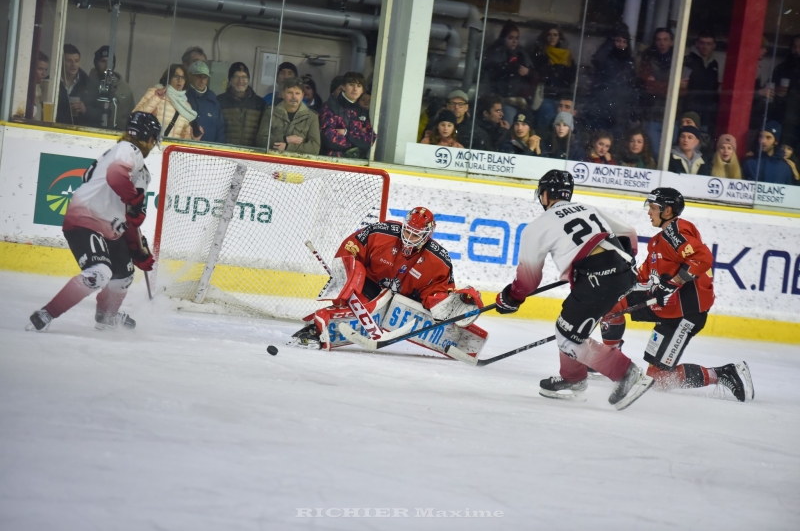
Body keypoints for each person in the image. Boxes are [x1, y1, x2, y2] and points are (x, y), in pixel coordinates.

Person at [494, 170, 653, 409]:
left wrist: (511, 298)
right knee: (568, 325)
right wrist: (618, 263)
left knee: (568, 336)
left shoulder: (536, 227)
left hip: (598, 279)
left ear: (544, 194)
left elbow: (528, 280)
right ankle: (572, 378)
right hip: (623, 272)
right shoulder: (588, 208)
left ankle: (627, 373)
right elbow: (629, 232)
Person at [601, 188, 754, 402]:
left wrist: (675, 282)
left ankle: (723, 374)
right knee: (610, 302)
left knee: (659, 378)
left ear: (668, 210)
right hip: (665, 305)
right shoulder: (658, 241)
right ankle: (609, 359)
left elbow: (702, 259)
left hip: (685, 312)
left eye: (653, 208)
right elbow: (642, 277)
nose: (649, 212)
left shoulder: (675, 231)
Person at [27, 112, 161, 332]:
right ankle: (46, 314)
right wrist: (135, 201)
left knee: (124, 276)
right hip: (85, 219)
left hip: (109, 228)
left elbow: (130, 216)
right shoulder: (129, 149)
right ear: (148, 137)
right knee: (99, 272)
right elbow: (116, 177)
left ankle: (107, 316)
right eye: (154, 138)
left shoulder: (141, 172)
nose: (154, 144)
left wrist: (137, 249)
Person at [290, 207, 483, 352]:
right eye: (407, 231)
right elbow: (350, 249)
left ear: (427, 236)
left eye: (415, 235)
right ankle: (316, 331)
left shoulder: (439, 260)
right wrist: (345, 277)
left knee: (434, 307)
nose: (408, 237)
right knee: (357, 301)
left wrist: (447, 304)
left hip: (406, 299)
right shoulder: (380, 232)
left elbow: (437, 292)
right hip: (371, 286)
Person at [639, 29, 688, 158]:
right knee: (653, 153)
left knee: (668, 154)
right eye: (659, 40)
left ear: (671, 42)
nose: (662, 43)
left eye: (665, 40)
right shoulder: (648, 60)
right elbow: (649, 87)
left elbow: (683, 91)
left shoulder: (680, 61)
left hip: (672, 116)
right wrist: (674, 84)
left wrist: (658, 84)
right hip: (652, 114)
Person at [588, 22, 638, 137]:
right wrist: (610, 41)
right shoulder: (605, 59)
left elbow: (633, 88)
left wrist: (634, 112)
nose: (621, 45)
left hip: (619, 113)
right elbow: (597, 59)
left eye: (624, 42)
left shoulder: (629, 63)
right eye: (618, 41)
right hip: (601, 110)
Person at [482, 20, 535, 123]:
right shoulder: (497, 51)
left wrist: (528, 72)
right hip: (502, 98)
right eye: (510, 38)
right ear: (504, 38)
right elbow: (493, 70)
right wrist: (513, 67)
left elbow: (534, 74)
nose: (514, 41)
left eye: (516, 38)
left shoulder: (522, 53)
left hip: (520, 99)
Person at [133, 64, 203, 141]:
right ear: (169, 78)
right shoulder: (156, 92)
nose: (179, 80)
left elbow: (184, 137)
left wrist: (193, 139)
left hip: (172, 148)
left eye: (182, 77)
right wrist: (156, 98)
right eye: (176, 76)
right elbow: (136, 116)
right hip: (153, 145)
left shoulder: (186, 106)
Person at [256, 77, 321, 155]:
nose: (294, 96)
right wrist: (285, 139)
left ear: (302, 96)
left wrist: (288, 147)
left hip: (298, 161)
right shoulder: (270, 112)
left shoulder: (312, 117)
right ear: (283, 94)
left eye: (297, 93)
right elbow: (260, 141)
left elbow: (315, 148)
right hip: (273, 158)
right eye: (290, 92)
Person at [319, 71, 376, 158]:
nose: (355, 89)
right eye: (351, 84)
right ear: (343, 87)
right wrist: (358, 142)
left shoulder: (363, 111)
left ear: (362, 90)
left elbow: (370, 140)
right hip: (332, 161)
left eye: (359, 86)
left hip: (356, 162)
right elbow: (328, 137)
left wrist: (346, 133)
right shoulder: (329, 106)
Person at [531, 24, 576, 129]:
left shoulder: (567, 55)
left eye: (555, 35)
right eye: (549, 34)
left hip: (562, 96)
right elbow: (540, 73)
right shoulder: (540, 52)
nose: (552, 37)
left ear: (560, 37)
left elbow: (571, 77)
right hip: (545, 95)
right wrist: (554, 69)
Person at [81, 46, 135, 130]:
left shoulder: (125, 89)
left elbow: (132, 116)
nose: (107, 65)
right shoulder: (85, 85)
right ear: (96, 63)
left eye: (110, 62)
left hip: (117, 135)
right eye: (103, 61)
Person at [217, 62, 266, 148]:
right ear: (230, 79)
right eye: (236, 77)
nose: (241, 81)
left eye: (244, 77)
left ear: (248, 80)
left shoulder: (260, 103)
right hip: (225, 151)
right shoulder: (220, 101)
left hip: (251, 153)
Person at [424, 90, 489, 150]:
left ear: (466, 107)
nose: (456, 107)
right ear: (447, 106)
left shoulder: (474, 131)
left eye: (461, 104)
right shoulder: (433, 124)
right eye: (453, 103)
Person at [683, 31, 720, 136]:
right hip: (690, 109)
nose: (705, 47)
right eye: (702, 43)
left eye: (708, 44)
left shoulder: (714, 64)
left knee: (703, 139)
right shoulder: (689, 61)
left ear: (714, 46)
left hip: (707, 112)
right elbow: (683, 84)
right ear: (697, 44)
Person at [185, 60, 226, 143]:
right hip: (185, 147)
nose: (202, 81)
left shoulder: (213, 100)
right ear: (189, 75)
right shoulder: (183, 96)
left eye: (205, 77)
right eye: (198, 76)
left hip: (208, 149)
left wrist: (218, 148)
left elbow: (220, 129)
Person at [772, 34, 800, 147]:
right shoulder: (782, 68)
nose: (797, 51)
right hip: (783, 119)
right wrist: (776, 91)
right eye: (794, 46)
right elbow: (769, 90)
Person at [56, 44, 89, 125]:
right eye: (69, 61)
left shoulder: (88, 83)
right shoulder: (52, 81)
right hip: (53, 127)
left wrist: (85, 110)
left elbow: (100, 112)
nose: (73, 64)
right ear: (61, 62)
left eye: (76, 61)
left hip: (79, 129)